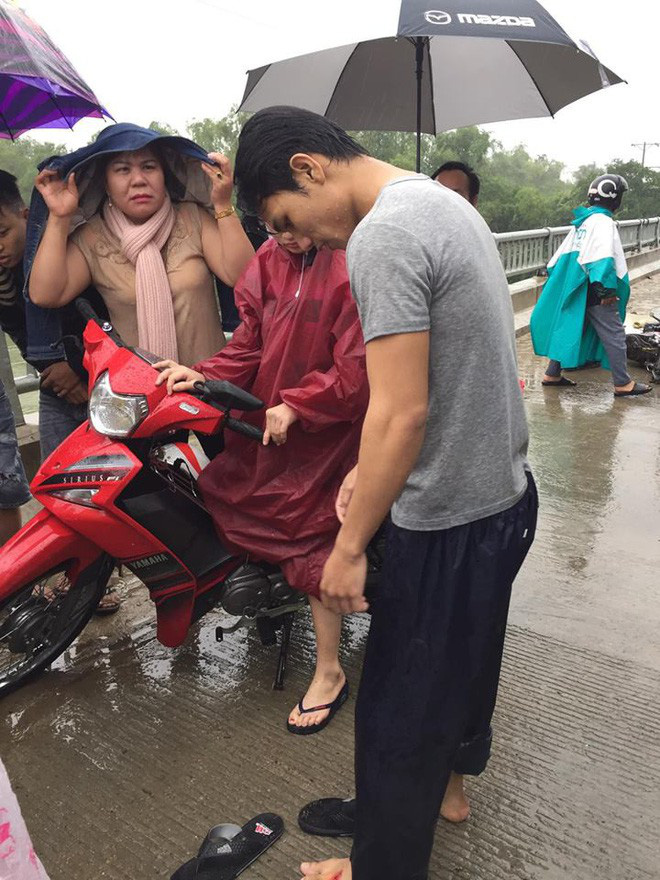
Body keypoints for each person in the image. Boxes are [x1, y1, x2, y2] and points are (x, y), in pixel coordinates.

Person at [232, 106, 538, 880]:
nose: (302, 239)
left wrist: (348, 546)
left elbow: (401, 410)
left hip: (445, 522)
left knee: (397, 711)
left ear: (308, 167)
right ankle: (450, 793)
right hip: (502, 494)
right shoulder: (444, 206)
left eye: (285, 218)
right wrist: (372, 470)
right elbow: (457, 367)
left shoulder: (383, 235)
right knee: (463, 671)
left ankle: (381, 865)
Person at [155, 229, 369, 734]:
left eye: (289, 221)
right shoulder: (270, 258)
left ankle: (329, 670)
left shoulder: (351, 263)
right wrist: (201, 375)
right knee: (225, 490)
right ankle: (271, 597)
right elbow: (249, 342)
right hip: (269, 421)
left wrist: (300, 403)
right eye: (272, 225)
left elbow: (355, 371)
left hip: (333, 430)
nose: (283, 235)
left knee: (308, 532)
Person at [28, 123, 254, 367]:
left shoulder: (193, 219)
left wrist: (222, 205)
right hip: (139, 397)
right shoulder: (92, 236)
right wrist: (60, 218)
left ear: (164, 174)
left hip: (208, 388)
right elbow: (45, 295)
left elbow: (244, 276)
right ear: (105, 183)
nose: (138, 180)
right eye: (122, 170)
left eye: (149, 167)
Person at [0, 170, 120, 610]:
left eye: (3, 233)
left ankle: (99, 580)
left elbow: (104, 317)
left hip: (104, 387)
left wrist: (74, 370)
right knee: (59, 487)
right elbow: (22, 336)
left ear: (26, 216)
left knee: (104, 487)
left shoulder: (64, 255)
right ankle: (78, 578)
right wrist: (54, 372)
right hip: (56, 390)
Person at [531, 173, 651, 397]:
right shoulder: (603, 223)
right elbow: (602, 257)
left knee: (571, 327)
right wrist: (605, 289)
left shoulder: (583, 222)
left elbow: (556, 261)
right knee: (614, 333)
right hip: (594, 288)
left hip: (576, 287)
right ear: (615, 198)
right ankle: (623, 383)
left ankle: (552, 373)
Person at [0, 176, 31, 545]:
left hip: (77, 374)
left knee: (4, 489)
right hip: (44, 366)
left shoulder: (47, 255)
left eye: (4, 231)